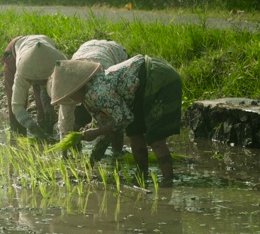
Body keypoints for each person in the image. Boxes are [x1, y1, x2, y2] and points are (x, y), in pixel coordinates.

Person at [50, 55, 182, 186]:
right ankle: (142, 175)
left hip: (157, 77)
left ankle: (168, 181)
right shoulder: (89, 97)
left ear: (77, 88)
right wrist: (89, 165)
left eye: (70, 94)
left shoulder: (97, 93)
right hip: (139, 88)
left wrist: (95, 132)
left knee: (155, 138)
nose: (71, 99)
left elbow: (124, 118)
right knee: (134, 132)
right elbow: (109, 130)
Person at [53, 39, 129, 161]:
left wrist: (97, 137)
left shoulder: (103, 79)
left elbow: (117, 116)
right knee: (80, 112)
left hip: (113, 53)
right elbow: (65, 120)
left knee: (114, 114)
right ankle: (77, 149)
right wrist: (64, 153)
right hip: (86, 49)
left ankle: (117, 153)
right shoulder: (68, 84)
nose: (71, 99)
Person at [1, 35, 66, 139]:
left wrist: (49, 109)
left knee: (45, 109)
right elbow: (17, 106)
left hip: (45, 51)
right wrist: (31, 126)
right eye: (38, 81)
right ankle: (18, 134)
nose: (40, 83)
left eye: (43, 81)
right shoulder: (22, 71)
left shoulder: (58, 64)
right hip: (15, 51)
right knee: (14, 99)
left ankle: (46, 131)